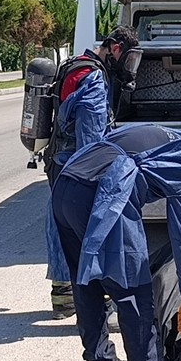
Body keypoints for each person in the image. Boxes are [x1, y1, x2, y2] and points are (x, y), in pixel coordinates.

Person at [47, 121, 181, 361]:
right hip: (100, 195)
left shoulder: (158, 133)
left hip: (66, 187)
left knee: (87, 280)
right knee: (134, 292)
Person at [44, 27, 141, 319]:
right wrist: (100, 176)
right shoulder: (94, 79)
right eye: (128, 58)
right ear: (114, 48)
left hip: (59, 160)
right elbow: (91, 139)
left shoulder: (75, 66)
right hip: (78, 164)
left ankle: (63, 298)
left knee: (60, 227)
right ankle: (101, 300)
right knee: (94, 231)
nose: (128, 67)